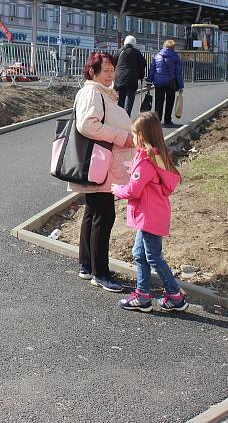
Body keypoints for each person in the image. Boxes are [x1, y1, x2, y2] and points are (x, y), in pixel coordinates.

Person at [111, 112, 188, 312]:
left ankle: (175, 295)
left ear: (142, 137)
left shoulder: (145, 162)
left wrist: (116, 189)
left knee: (153, 257)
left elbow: (133, 190)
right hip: (153, 215)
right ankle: (143, 295)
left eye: (134, 134)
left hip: (148, 217)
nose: (133, 137)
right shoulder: (155, 156)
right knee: (139, 254)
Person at [71, 52, 134, 293]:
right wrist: (122, 137)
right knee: (103, 217)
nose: (111, 74)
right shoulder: (92, 93)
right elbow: (87, 124)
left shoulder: (101, 92)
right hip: (100, 165)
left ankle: (88, 265)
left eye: (112, 70)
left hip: (101, 164)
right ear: (92, 72)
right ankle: (101, 272)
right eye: (106, 70)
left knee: (93, 213)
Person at [147, 39, 184, 128]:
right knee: (170, 101)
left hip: (159, 82)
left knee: (158, 102)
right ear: (173, 47)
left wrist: (149, 81)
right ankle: (167, 120)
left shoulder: (157, 56)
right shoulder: (175, 57)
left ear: (164, 46)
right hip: (171, 82)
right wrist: (181, 85)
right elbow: (178, 72)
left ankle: (157, 121)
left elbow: (152, 70)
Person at [114, 35, 147, 115]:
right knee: (130, 98)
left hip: (120, 78)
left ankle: (119, 117)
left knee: (121, 98)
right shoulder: (137, 52)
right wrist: (141, 76)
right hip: (132, 79)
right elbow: (143, 64)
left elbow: (114, 62)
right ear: (134, 43)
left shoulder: (119, 51)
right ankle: (126, 117)